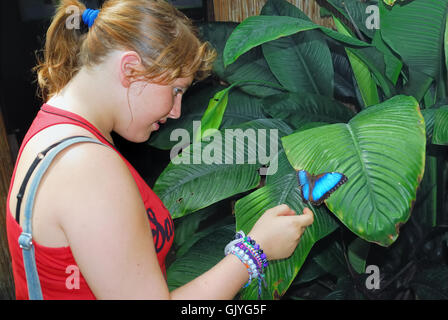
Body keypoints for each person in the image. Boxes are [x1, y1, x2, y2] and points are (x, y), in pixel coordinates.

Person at [6, 0, 314, 300]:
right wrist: (254, 252)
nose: (177, 111)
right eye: (176, 90)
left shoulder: (57, 126)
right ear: (130, 69)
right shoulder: (86, 166)